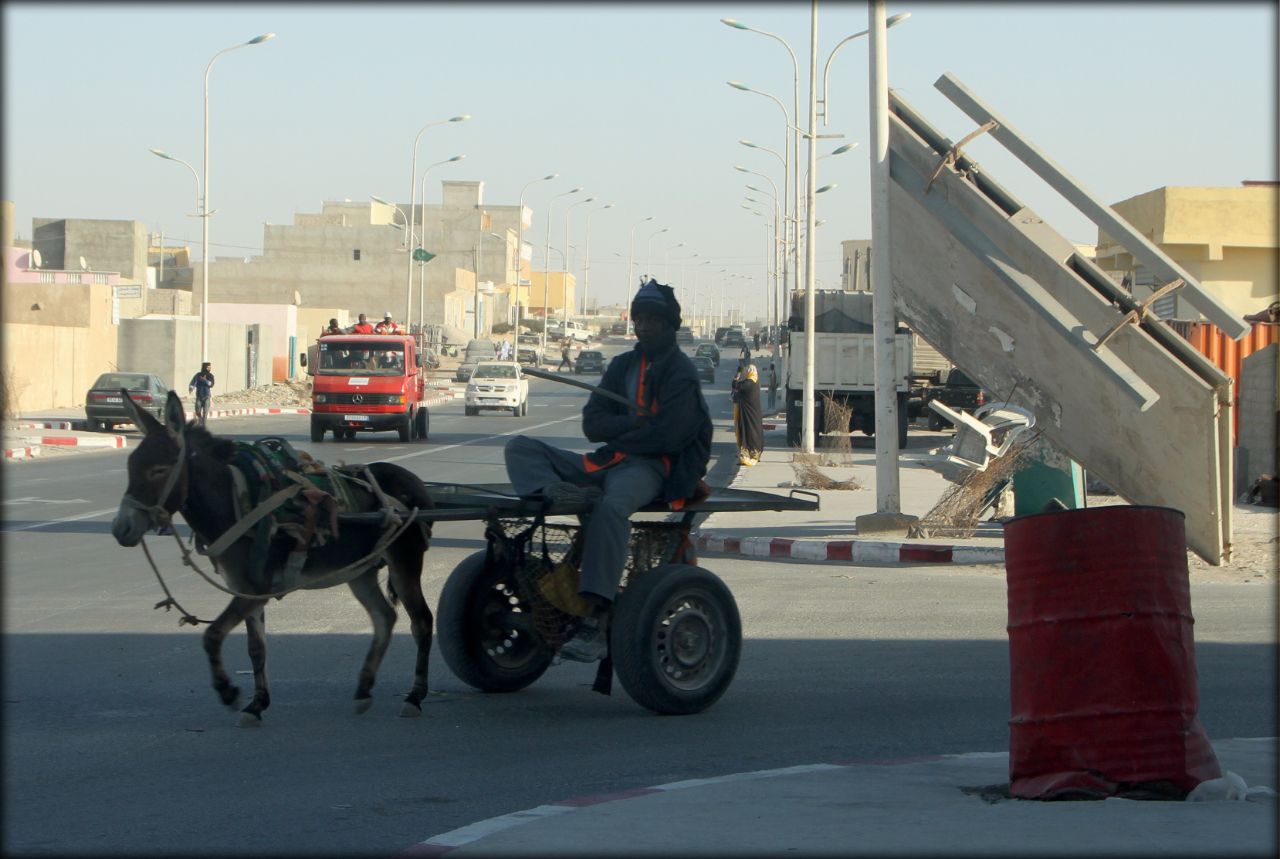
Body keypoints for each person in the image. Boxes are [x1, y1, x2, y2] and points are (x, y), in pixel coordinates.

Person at [504, 279, 713, 662]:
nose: (645, 327)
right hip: (608, 462)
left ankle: (596, 617)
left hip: (651, 469)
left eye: (653, 320)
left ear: (669, 326)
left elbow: (671, 437)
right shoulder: (622, 365)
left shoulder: (680, 372)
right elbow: (592, 424)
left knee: (612, 508)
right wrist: (635, 427)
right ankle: (555, 493)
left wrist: (625, 432)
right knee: (521, 448)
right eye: (640, 319)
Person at [733, 362, 764, 467]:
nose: (745, 372)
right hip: (751, 412)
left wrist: (738, 374)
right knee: (751, 431)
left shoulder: (750, 382)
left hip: (749, 413)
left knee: (749, 432)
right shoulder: (754, 381)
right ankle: (752, 453)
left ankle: (751, 453)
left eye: (746, 371)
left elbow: (736, 385)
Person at [188, 362, 215, 427]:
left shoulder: (210, 376)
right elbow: (193, 382)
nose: (209, 368)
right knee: (197, 411)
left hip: (207, 397)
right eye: (208, 367)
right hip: (199, 396)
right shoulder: (198, 375)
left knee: (205, 413)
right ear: (204, 367)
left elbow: (211, 384)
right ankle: (200, 419)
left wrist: (205, 380)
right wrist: (191, 388)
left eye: (210, 367)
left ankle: (203, 426)